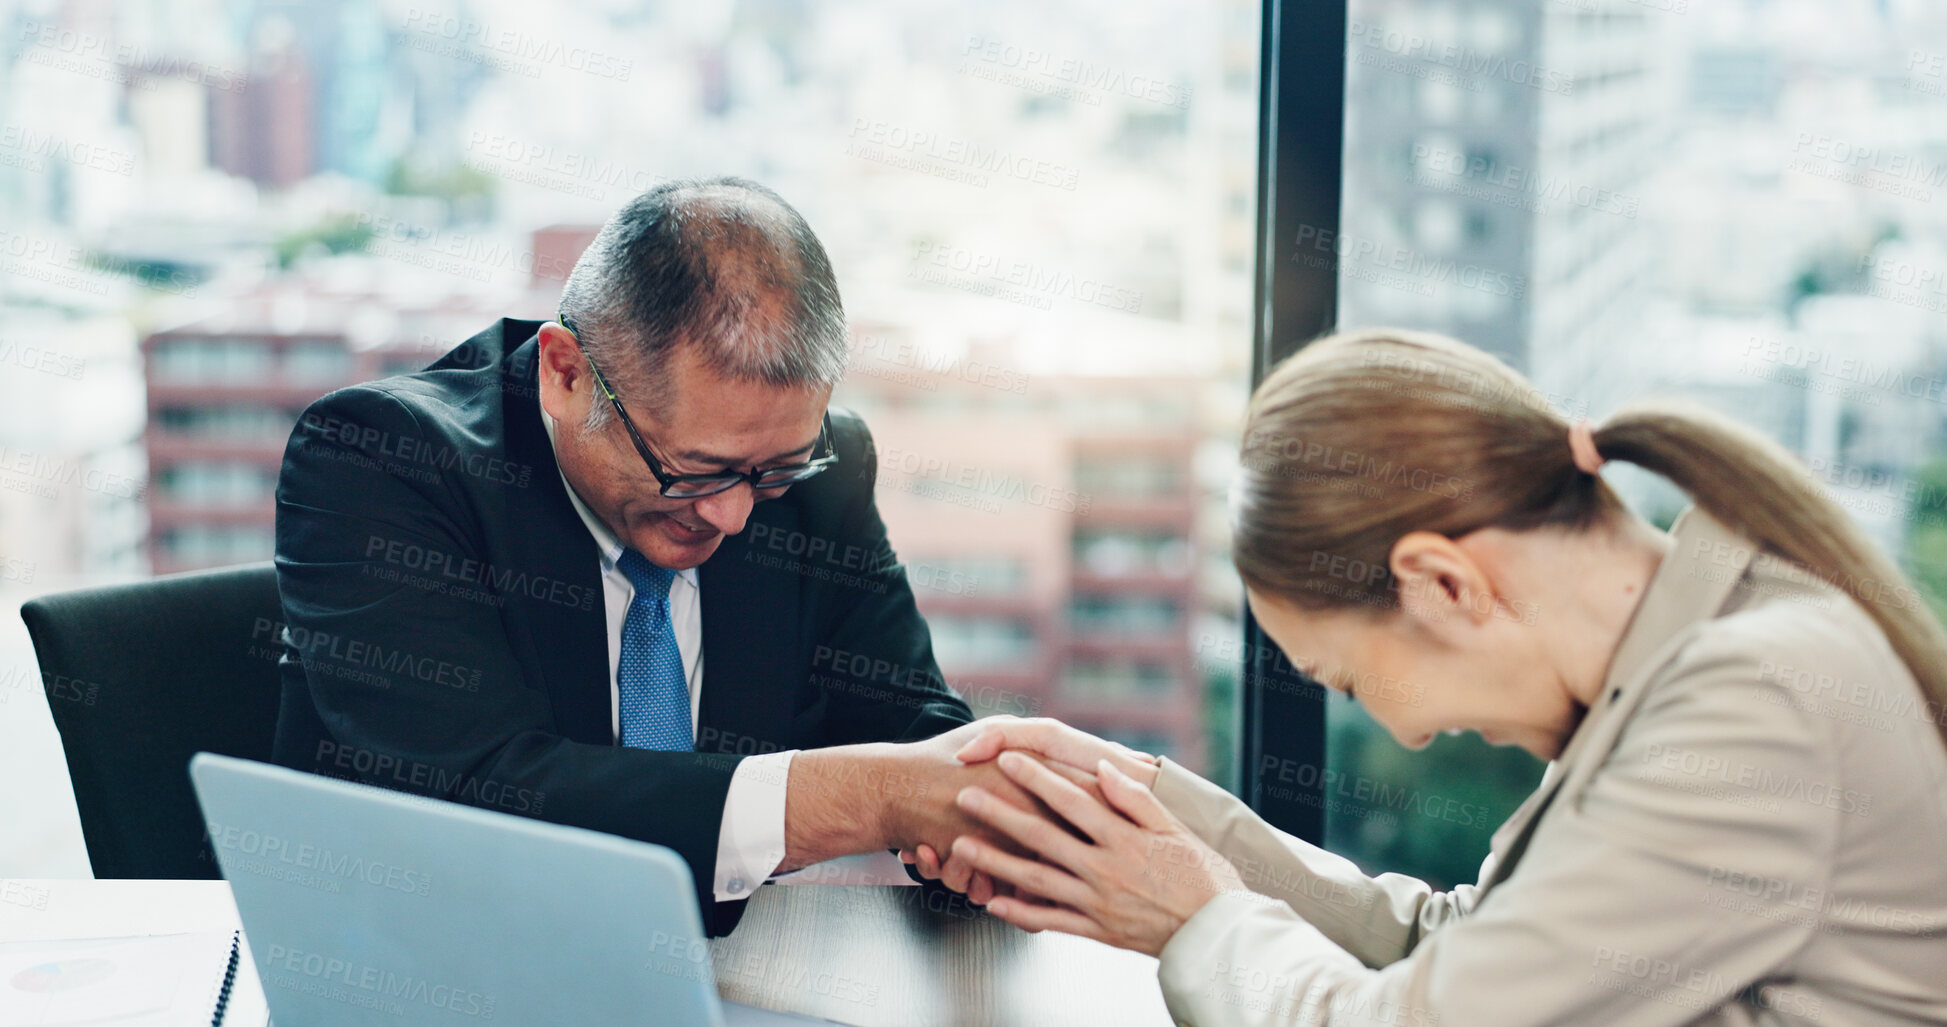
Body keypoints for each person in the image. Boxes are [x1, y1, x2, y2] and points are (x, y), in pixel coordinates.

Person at [915, 328, 1947, 1023]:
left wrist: (1195, 918)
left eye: (1355, 686)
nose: (1403, 736)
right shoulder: (1694, 661)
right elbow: (1460, 949)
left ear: (1442, 584)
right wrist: (1147, 811)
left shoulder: (1748, 711)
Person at [270, 177, 1068, 936]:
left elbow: (904, 717)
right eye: (694, 470)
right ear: (565, 373)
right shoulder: (383, 461)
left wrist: (980, 811)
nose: (731, 514)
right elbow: (482, 798)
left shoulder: (818, 475)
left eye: (775, 470)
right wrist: (878, 798)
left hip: (730, 979)